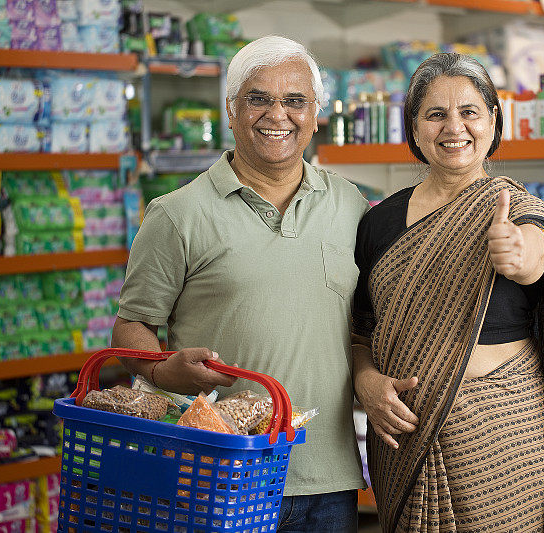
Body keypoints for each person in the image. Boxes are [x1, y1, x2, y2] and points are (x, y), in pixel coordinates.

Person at [112, 35, 369, 532]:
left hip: (329, 480)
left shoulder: (349, 204)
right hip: (218, 474)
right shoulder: (176, 214)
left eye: (295, 101)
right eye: (259, 99)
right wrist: (164, 372)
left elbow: (367, 322)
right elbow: (131, 327)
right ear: (231, 111)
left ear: (315, 115)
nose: (278, 115)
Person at [352, 53, 544, 532]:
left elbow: (534, 256)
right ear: (414, 128)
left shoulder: (520, 210)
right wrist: (366, 383)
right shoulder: (378, 223)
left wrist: (516, 254)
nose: (453, 127)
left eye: (469, 112)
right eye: (435, 114)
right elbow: (361, 332)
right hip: (407, 437)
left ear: (493, 122)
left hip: (504, 434)